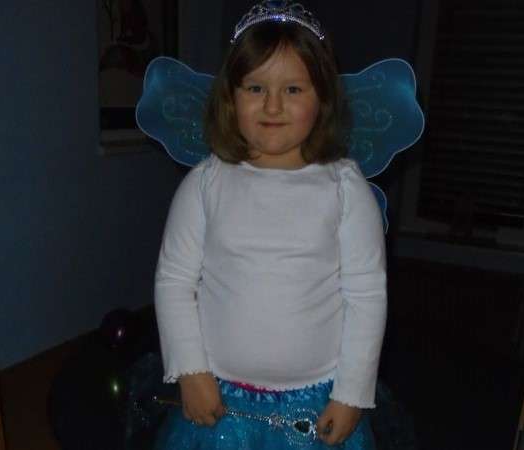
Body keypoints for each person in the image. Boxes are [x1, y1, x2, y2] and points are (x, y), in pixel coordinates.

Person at [151, 1, 386, 448]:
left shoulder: (344, 188)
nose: (273, 105)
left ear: (322, 99)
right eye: (255, 87)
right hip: (221, 401)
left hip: (316, 404)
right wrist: (190, 370)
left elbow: (366, 295)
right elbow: (175, 280)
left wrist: (352, 392)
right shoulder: (205, 183)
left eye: (293, 89)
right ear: (230, 96)